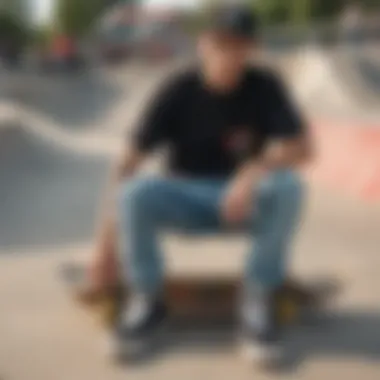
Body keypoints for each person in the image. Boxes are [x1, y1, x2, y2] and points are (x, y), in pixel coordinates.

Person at [79, 5, 312, 364]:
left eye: (238, 46)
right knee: (136, 192)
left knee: (289, 187)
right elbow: (127, 162)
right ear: (203, 44)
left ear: (251, 49)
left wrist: (251, 174)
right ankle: (148, 299)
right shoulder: (177, 89)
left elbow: (303, 148)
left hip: (243, 203)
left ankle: (256, 300)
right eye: (220, 45)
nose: (228, 56)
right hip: (186, 197)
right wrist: (103, 245)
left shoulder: (265, 86)